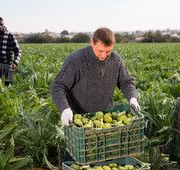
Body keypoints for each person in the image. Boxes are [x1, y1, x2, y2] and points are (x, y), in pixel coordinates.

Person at [50, 27, 140, 161]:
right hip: (79, 122)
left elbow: (126, 82)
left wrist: (132, 98)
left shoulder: (116, 60)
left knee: (106, 158)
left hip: (105, 119)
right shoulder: (76, 60)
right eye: (100, 51)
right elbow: (58, 86)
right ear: (92, 43)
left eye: (108, 51)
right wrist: (65, 109)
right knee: (76, 158)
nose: (104, 56)